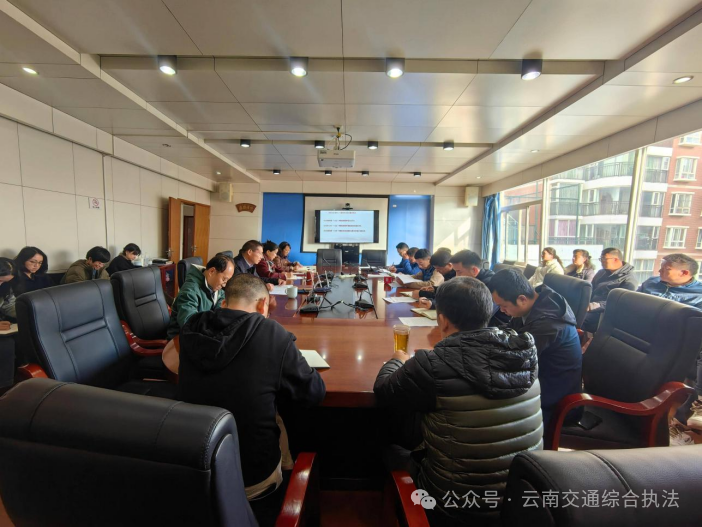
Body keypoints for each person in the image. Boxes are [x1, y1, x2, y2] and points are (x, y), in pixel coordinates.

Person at [374, 277, 542, 526]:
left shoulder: (432, 364)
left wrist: (397, 360)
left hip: (455, 506)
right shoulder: (523, 351)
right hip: (522, 500)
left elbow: (384, 392)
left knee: (389, 444)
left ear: (442, 320)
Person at [178, 273, 325, 526]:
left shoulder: (192, 327)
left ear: (225, 302)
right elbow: (313, 392)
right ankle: (283, 490)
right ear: (262, 304)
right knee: (282, 417)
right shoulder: (271, 332)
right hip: (251, 477)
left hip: (192, 468)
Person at [491, 268, 582, 429]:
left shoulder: (548, 324)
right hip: (538, 379)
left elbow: (516, 359)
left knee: (486, 408)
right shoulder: (535, 305)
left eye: (503, 306)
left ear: (522, 299)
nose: (502, 311)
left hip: (554, 396)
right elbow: (510, 332)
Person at [636, 254, 702, 445]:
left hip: (683, 340)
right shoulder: (651, 283)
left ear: (685, 272)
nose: (659, 271)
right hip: (643, 333)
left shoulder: (699, 293)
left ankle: (687, 415)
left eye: (666, 268)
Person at [417, 249, 510, 325]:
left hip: (493, 329)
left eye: (459, 271)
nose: (456, 276)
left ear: (474, 270)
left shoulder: (489, 286)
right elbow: (454, 298)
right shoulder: (470, 282)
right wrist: (433, 303)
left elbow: (477, 315)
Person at [166, 254, 234, 339]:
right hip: (180, 338)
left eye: (227, 281)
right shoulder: (190, 290)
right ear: (212, 271)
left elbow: (221, 301)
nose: (224, 285)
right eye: (224, 279)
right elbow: (189, 324)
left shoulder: (213, 286)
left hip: (201, 334)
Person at [581, 248, 637, 333]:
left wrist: (591, 306)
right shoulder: (601, 273)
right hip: (589, 307)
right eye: (601, 259)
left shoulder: (629, 279)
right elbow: (590, 290)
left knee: (575, 319)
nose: (602, 261)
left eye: (604, 259)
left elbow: (620, 302)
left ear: (616, 259)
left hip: (604, 312)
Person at [0, 257, 19, 391]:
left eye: (4, 282)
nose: (1, 284)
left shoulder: (5, 286)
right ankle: (4, 388)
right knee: (5, 345)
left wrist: (28, 313)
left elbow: (10, 306)